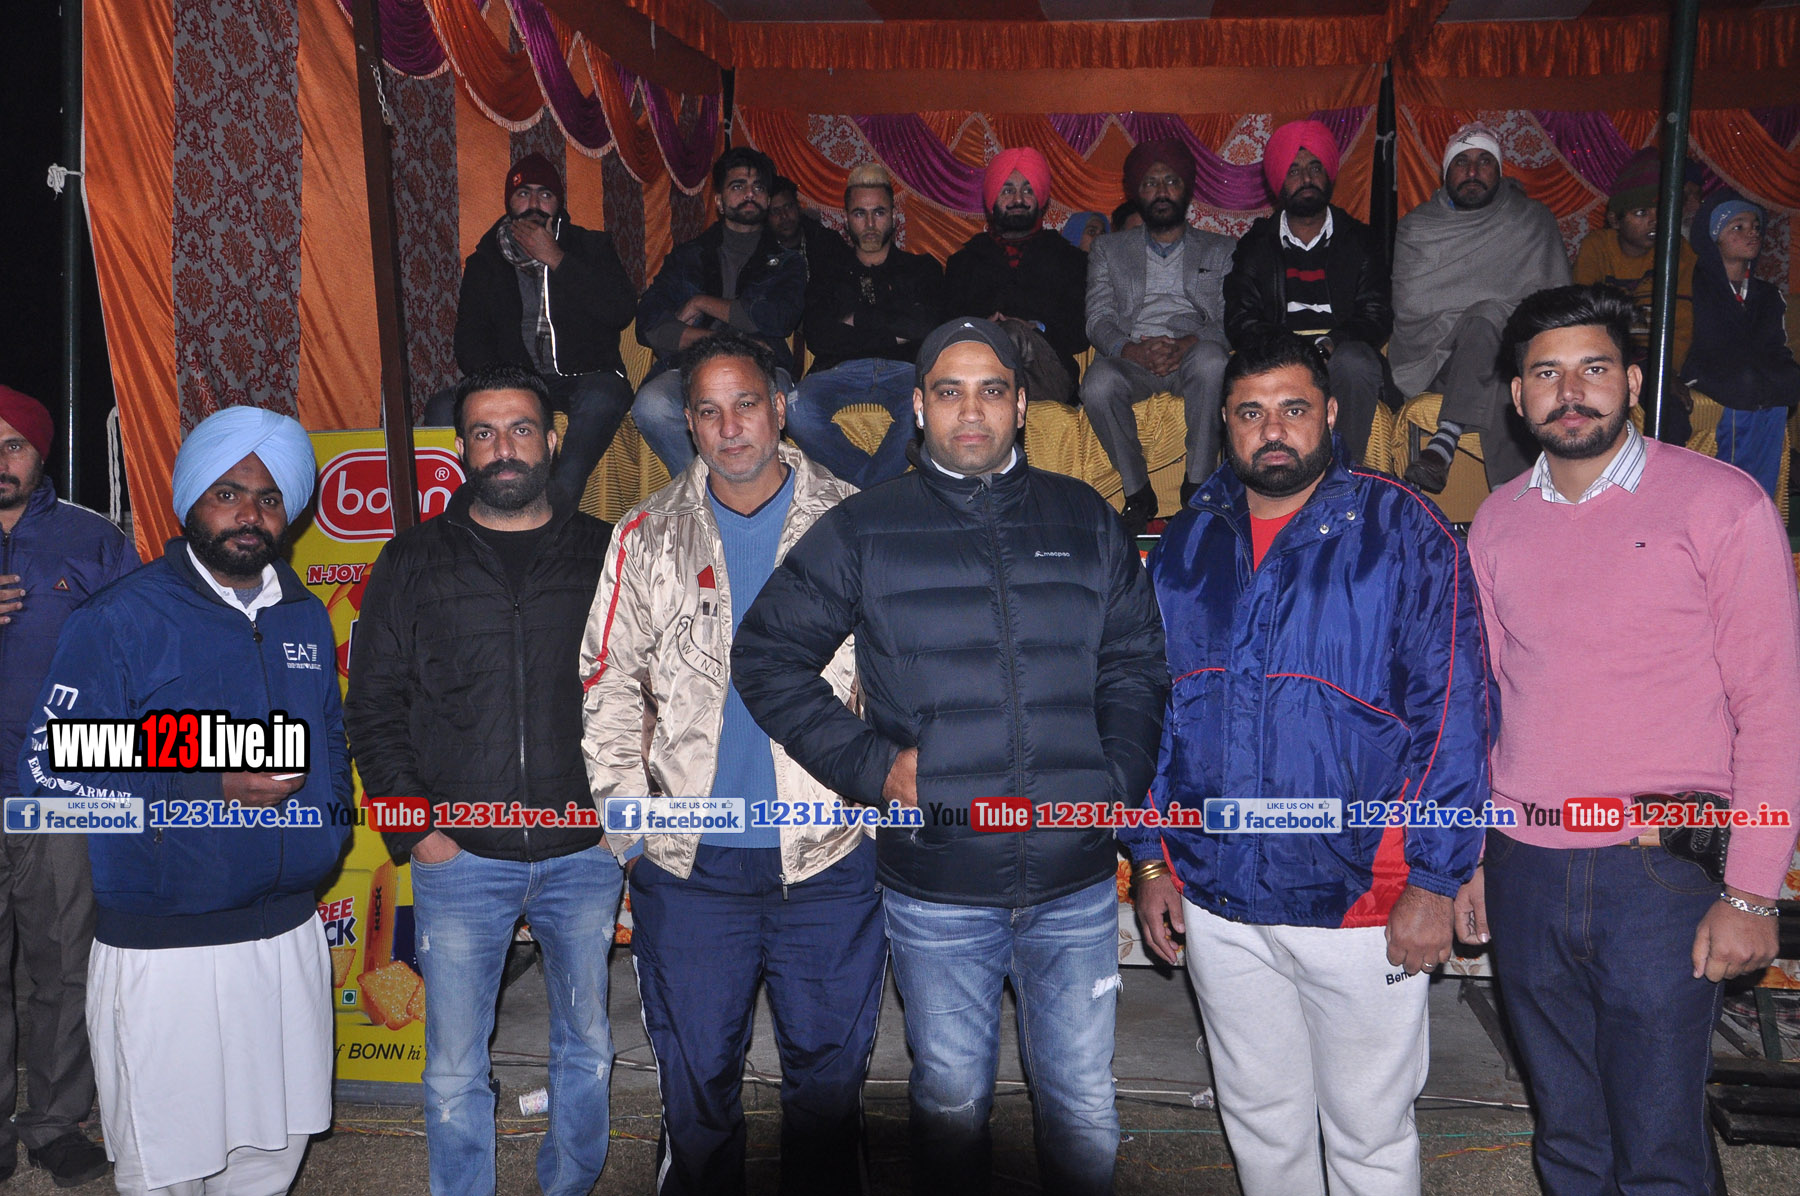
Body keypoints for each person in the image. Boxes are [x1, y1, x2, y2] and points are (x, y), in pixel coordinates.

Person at [732, 318, 1167, 1196]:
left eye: (992, 390)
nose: (972, 411)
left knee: (1083, 1104)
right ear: (919, 407)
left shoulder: (1085, 518)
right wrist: (871, 767)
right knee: (952, 1105)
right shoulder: (866, 527)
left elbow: (1136, 662)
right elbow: (766, 657)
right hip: (938, 891)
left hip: (1075, 883)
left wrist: (1115, 779)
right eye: (950, 392)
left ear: (1022, 406)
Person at [1127, 332, 1490, 1196]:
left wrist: (1434, 879)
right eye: (1250, 413)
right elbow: (1145, 711)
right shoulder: (1188, 540)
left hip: (1364, 898)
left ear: (1330, 413)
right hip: (1217, 894)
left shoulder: (1404, 530)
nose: (1273, 430)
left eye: (1293, 409)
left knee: (1369, 1134)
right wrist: (1148, 856)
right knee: (1261, 1124)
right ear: (1224, 423)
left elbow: (1455, 712)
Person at [1462, 283, 1800, 1195]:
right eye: (1546, 374)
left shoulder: (1721, 504)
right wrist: (1474, 860)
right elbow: (1489, 703)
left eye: (1594, 369)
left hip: (1660, 877)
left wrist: (1752, 892)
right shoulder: (1496, 520)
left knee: (1659, 1148)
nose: (1571, 392)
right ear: (1518, 396)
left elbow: (1773, 710)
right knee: (1568, 1137)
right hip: (1525, 866)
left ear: (1634, 382)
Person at [579, 332, 883, 1195]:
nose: (730, 427)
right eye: (709, 411)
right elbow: (606, 683)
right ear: (689, 423)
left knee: (828, 1091)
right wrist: (631, 830)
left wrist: (879, 819)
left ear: (779, 408)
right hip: (691, 869)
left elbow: (898, 681)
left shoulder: (854, 522)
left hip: (827, 859)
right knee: (697, 1089)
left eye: (746, 404)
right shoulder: (645, 534)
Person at [19, 406, 351, 1196]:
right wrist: (209, 777)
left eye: (268, 498)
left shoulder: (304, 614)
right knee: (168, 1162)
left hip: (286, 933)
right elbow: (51, 762)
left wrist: (327, 825)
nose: (248, 514)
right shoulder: (121, 617)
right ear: (191, 500)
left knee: (272, 1150)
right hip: (165, 948)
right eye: (227, 494)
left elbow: (330, 738)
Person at [345, 365, 619, 1196]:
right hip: (458, 857)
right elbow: (373, 707)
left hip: (587, 852)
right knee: (454, 1069)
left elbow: (650, 689)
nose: (504, 448)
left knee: (589, 1049)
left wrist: (625, 821)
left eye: (521, 429)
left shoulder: (606, 550)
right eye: (485, 433)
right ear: (462, 448)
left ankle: (569, 1185)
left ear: (553, 441)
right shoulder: (414, 559)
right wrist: (418, 835)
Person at [0, 386, 135, 1187]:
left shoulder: (93, 539)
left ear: (41, 452)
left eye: (13, 445)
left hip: (59, 794)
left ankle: (56, 1124)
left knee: (64, 966)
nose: (0, 462)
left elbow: (134, 658)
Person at [431, 153, 639, 507]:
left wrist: (556, 258)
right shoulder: (486, 260)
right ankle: (472, 509)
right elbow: (469, 339)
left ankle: (556, 505)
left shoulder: (591, 247)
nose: (534, 204)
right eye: (523, 193)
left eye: (545, 194)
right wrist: (505, 382)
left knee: (604, 396)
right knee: (440, 408)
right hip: (516, 379)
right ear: (509, 202)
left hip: (583, 377)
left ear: (558, 203)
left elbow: (619, 310)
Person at [1390, 122, 1571, 492]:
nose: (1472, 171)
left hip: (1518, 357)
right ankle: (1520, 498)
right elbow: (1412, 306)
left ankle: (1445, 442)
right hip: (1437, 360)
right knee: (1486, 324)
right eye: (1462, 162)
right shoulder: (1419, 228)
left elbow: (1556, 306)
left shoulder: (1531, 221)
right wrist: (1491, 313)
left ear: (1499, 170)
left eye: (1484, 161)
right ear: (1445, 173)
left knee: (1497, 349)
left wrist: (1498, 322)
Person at [1082, 138, 1236, 534]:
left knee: (1213, 361)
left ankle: (1198, 485)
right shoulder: (1108, 249)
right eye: (1151, 183)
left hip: (1193, 353)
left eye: (1171, 181)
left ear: (1186, 189)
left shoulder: (1221, 249)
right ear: (1137, 193)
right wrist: (1131, 350)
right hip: (1133, 357)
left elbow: (1228, 318)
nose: (1162, 191)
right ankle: (1138, 493)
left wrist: (1187, 344)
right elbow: (1098, 318)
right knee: (1097, 383)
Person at [1225, 120, 1396, 466]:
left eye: (1315, 168)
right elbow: (1241, 320)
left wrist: (1330, 344)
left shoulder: (1361, 240)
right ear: (1278, 182)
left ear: (1329, 174)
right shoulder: (1255, 245)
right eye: (1294, 171)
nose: (1306, 179)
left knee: (1355, 362)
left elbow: (1376, 314)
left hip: (1340, 354)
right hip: (1278, 357)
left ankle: (1341, 473)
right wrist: (1295, 351)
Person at [633, 147, 807, 477]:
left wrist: (702, 302)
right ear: (719, 201)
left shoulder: (787, 262)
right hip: (691, 366)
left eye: (758, 187)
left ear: (767, 199)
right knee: (651, 405)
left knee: (780, 403)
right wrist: (719, 342)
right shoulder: (688, 256)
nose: (749, 194)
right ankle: (706, 489)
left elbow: (777, 318)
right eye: (738, 186)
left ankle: (746, 490)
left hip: (762, 367)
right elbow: (649, 323)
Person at [786, 164, 945, 487]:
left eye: (879, 213)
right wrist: (895, 332)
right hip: (838, 371)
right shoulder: (829, 272)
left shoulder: (921, 268)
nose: (870, 224)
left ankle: (861, 493)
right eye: (860, 214)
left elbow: (927, 327)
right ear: (846, 219)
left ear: (894, 217)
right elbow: (819, 336)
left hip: (906, 372)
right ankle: (876, 490)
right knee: (794, 409)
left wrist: (857, 320)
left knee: (930, 406)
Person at [943, 148, 1090, 404]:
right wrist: (979, 327)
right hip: (977, 364)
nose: (1018, 199)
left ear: (1040, 199)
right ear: (992, 199)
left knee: (1009, 333)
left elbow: (1081, 331)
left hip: (1047, 371)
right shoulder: (964, 262)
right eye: (1007, 190)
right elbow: (946, 326)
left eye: (1028, 190)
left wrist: (1036, 327)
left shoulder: (1069, 259)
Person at [1571, 147, 1697, 443]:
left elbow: (1680, 322)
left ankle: (1662, 471)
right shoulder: (1597, 247)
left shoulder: (1679, 251)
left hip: (1656, 357)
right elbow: (1584, 317)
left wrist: (1667, 371)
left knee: (1672, 416)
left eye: (1662, 212)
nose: (1655, 221)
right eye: (1641, 213)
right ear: (1616, 220)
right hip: (1604, 352)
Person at [1681, 189, 1800, 499]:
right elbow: (1698, 343)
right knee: (1745, 382)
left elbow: (1775, 346)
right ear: (1714, 237)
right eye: (1739, 227)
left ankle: (1760, 498)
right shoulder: (1692, 286)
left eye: (1756, 227)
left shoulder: (1766, 294)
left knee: (1784, 380)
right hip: (1704, 367)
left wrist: (1785, 373)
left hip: (1749, 374)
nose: (1752, 233)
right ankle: (1732, 497)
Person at [767, 174, 848, 272]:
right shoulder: (761, 252)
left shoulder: (828, 242)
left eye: (788, 207)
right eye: (776, 211)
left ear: (798, 207)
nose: (784, 216)